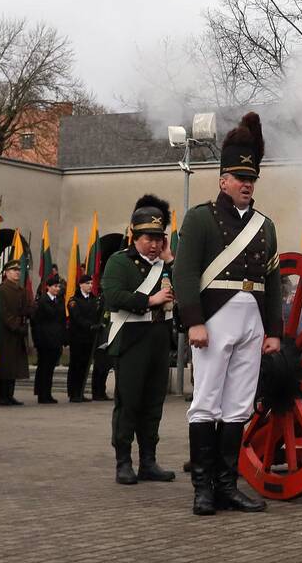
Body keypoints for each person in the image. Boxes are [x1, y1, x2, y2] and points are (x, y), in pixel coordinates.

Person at [175, 112, 283, 515]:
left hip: (252, 323)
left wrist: (274, 331)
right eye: (240, 178)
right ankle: (203, 489)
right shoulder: (200, 218)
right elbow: (184, 273)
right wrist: (195, 322)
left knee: (238, 406)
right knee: (205, 403)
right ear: (223, 180)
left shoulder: (265, 226)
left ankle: (227, 486)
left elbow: (273, 284)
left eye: (251, 179)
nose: (246, 185)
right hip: (214, 320)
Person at [101, 195, 177, 485]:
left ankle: (148, 461)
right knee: (129, 403)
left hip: (159, 339)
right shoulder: (120, 262)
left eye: (160, 238)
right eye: (149, 237)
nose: (155, 244)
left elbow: (185, 287)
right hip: (132, 339)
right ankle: (123, 461)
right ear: (134, 236)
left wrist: (171, 260)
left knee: (153, 404)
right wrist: (151, 299)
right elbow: (113, 297)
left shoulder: (167, 264)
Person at [0, 259, 32, 405]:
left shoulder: (21, 290)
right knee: (4, 367)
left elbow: (24, 310)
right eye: (13, 270)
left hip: (18, 333)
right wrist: (16, 326)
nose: (17, 273)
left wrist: (29, 311)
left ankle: (10, 395)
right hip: (6, 334)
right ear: (6, 273)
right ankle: (2, 396)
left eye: (18, 270)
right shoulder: (1, 290)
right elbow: (2, 312)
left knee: (14, 366)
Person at [66, 273, 103, 403]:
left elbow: (97, 314)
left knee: (85, 366)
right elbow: (77, 318)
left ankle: (80, 391)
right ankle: (73, 392)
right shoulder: (74, 301)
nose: (90, 286)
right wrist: (91, 326)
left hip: (90, 339)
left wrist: (97, 325)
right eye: (87, 283)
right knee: (76, 365)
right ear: (81, 285)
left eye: (91, 283)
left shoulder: (94, 300)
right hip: (78, 338)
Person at [31, 274, 66, 404]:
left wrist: (63, 338)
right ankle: (42, 394)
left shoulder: (59, 300)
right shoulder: (42, 301)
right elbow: (36, 323)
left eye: (58, 286)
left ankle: (48, 393)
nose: (57, 288)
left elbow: (62, 320)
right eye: (55, 286)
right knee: (44, 368)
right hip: (45, 341)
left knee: (50, 368)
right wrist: (38, 340)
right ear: (48, 287)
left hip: (55, 340)